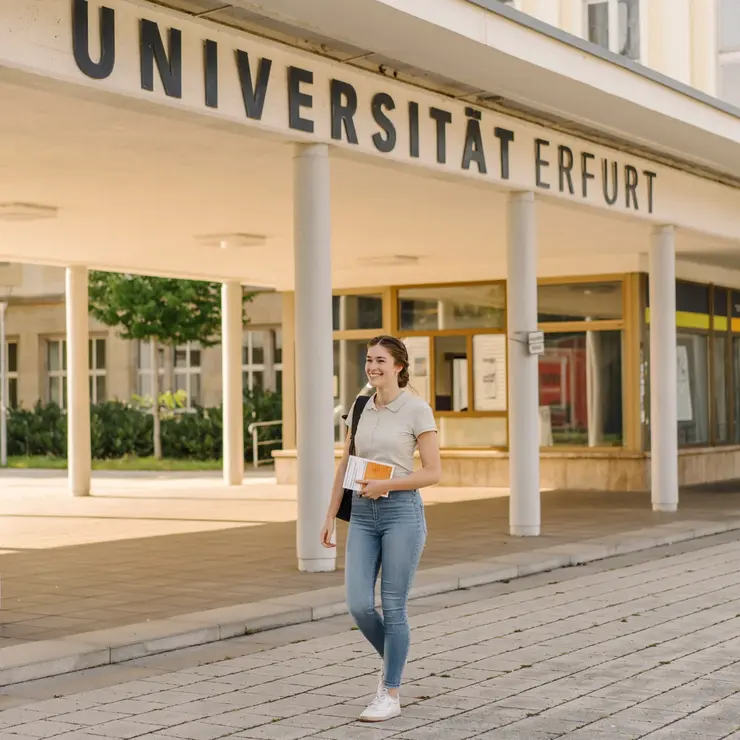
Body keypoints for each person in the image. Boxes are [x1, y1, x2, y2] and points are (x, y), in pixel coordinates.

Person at [320, 335, 441, 722]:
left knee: (393, 606)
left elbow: (433, 472)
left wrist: (386, 485)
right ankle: (395, 660)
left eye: (380, 361)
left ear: (399, 367)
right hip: (362, 514)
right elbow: (345, 464)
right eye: (369, 360)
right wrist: (329, 516)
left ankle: (390, 692)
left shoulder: (417, 410)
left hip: (401, 514)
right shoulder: (359, 407)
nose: (373, 367)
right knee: (358, 603)